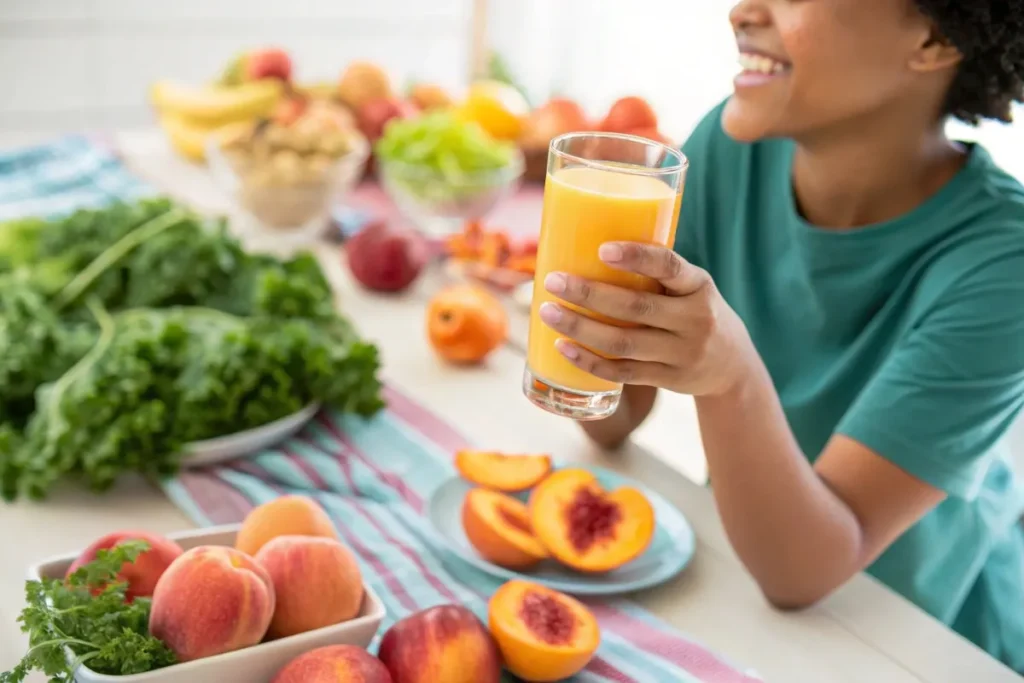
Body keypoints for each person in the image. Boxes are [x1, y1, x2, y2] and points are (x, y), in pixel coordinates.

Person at [537, 0, 1024, 671]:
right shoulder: (728, 148)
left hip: (909, 640)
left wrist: (728, 374)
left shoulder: (1003, 264)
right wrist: (581, 324)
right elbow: (615, 417)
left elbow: (805, 572)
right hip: (735, 575)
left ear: (936, 36)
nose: (741, 10)